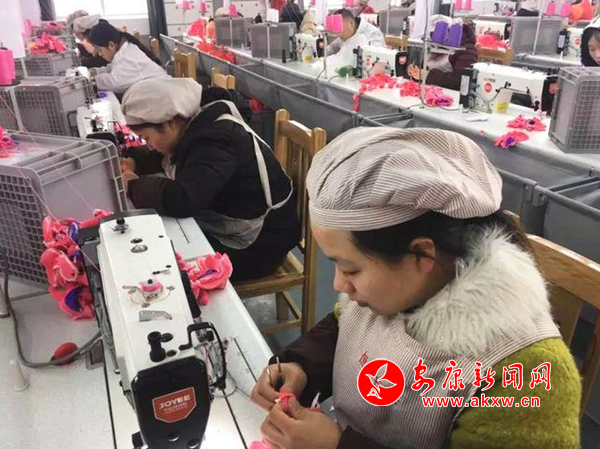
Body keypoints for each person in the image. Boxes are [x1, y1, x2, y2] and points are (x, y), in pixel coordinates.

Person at [251, 127, 581, 449]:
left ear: (422, 254)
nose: (338, 284)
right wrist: (302, 366)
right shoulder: (397, 291)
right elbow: (344, 327)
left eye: (351, 269)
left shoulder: (527, 374)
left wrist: (337, 445)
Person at [120, 78, 300, 282]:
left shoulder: (216, 138)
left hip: (262, 244)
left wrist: (133, 185)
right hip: (243, 222)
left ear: (170, 122)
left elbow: (182, 199)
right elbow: (177, 153)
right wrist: (136, 160)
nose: (149, 146)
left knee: (168, 265)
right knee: (165, 243)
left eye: (147, 138)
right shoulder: (197, 125)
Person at [88, 20, 169, 94]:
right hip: (157, 90)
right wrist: (95, 72)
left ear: (111, 45)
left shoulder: (127, 56)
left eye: (100, 50)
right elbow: (113, 68)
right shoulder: (124, 50)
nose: (100, 54)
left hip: (161, 92)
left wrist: (91, 80)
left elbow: (115, 83)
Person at [408, 22, 477, 91]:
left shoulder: (468, 52)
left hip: (449, 94)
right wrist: (416, 70)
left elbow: (459, 81)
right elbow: (428, 65)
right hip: (430, 90)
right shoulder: (438, 46)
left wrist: (428, 75)